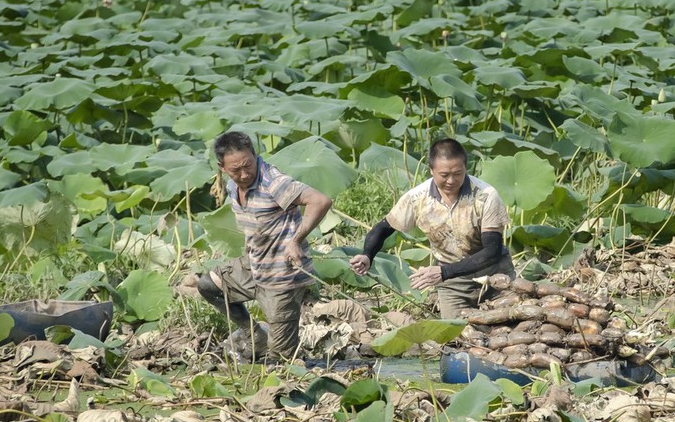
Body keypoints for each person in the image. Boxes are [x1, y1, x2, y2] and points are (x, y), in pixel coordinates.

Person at [197, 131, 332, 361]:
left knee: (278, 360)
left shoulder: (273, 182)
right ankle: (254, 335)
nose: (244, 174)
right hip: (255, 266)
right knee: (209, 285)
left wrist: (296, 240)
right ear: (222, 167)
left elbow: (320, 200)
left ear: (254, 155)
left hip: (284, 276)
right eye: (235, 170)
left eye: (248, 165)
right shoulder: (232, 187)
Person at [349, 138, 514, 319]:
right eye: (444, 175)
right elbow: (383, 228)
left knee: (507, 326)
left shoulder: (486, 195)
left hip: (493, 274)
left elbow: (492, 251)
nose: (451, 180)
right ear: (431, 170)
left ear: (466, 168)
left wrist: (443, 272)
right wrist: (367, 254)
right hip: (453, 283)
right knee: (456, 338)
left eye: (458, 173)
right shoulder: (416, 198)